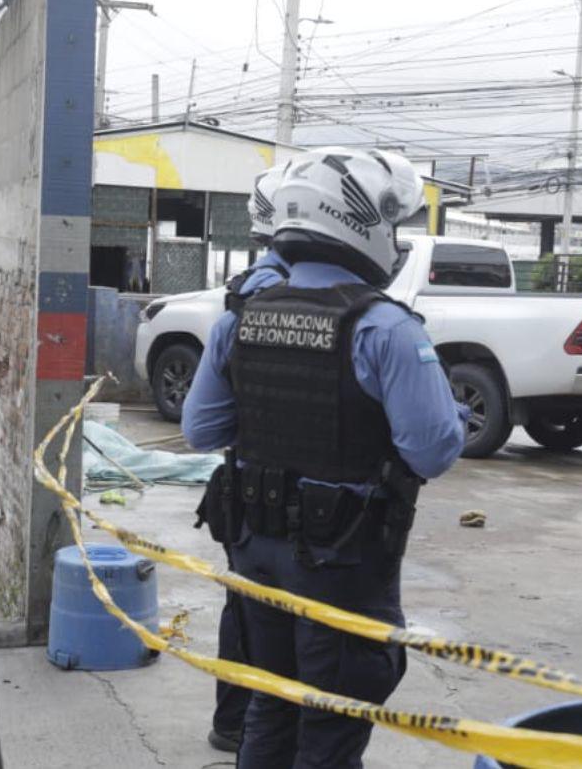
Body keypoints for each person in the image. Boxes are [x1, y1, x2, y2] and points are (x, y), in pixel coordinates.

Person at [182, 147, 466, 769]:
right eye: (395, 225)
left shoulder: (241, 316)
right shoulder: (386, 327)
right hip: (341, 558)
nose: (397, 240)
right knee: (333, 727)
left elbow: (201, 429)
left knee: (270, 705)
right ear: (361, 225)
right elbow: (434, 450)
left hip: (255, 547)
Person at [187, 166, 290, 754]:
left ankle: (234, 725)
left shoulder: (243, 296)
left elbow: (203, 426)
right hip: (319, 518)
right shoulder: (359, 309)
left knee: (245, 613)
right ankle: (249, 728)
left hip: (249, 502)